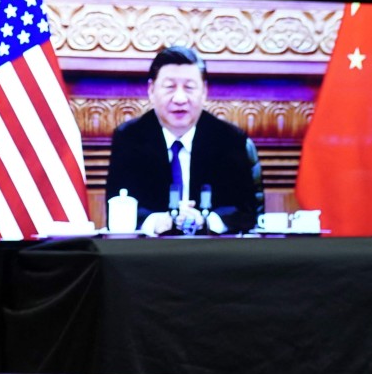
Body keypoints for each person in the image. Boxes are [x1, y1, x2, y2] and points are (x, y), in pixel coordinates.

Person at [106, 46, 259, 235]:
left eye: (189, 87)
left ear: (204, 92)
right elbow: (118, 205)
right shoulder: (130, 138)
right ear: (151, 90)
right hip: (151, 249)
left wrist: (207, 221)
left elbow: (245, 211)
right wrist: (155, 221)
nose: (179, 98)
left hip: (213, 249)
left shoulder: (229, 139)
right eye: (170, 87)